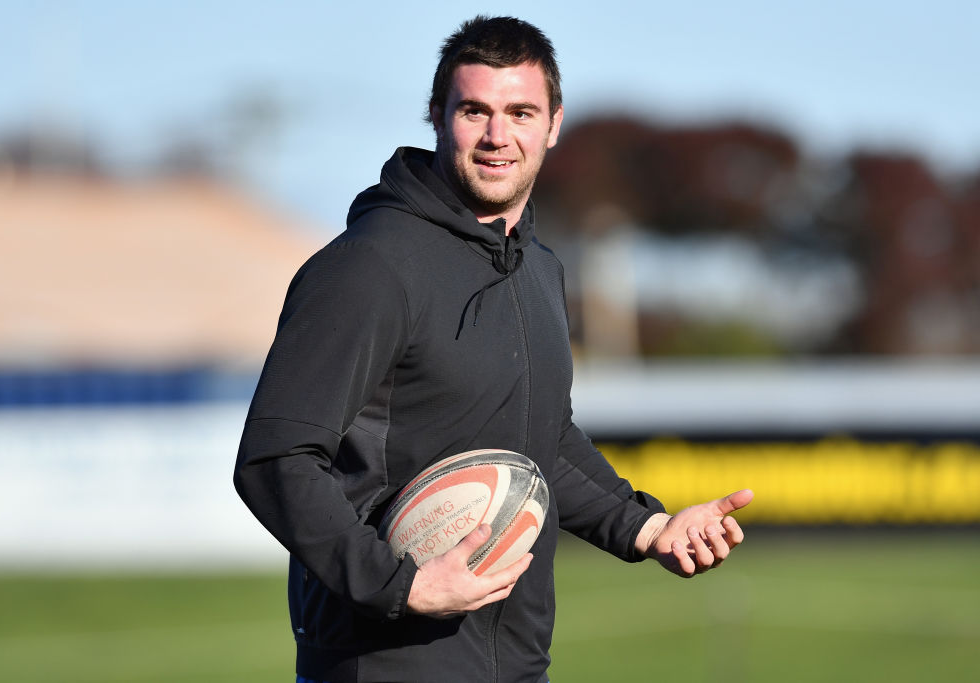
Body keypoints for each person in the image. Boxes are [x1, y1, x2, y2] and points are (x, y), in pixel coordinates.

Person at [234, 15, 753, 683]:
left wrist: (645, 527)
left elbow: (543, 438)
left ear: (554, 123)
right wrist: (399, 584)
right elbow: (275, 456)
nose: (497, 136)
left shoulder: (539, 269)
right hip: (386, 665)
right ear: (437, 115)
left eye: (520, 112)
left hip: (518, 665)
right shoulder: (370, 268)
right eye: (474, 110)